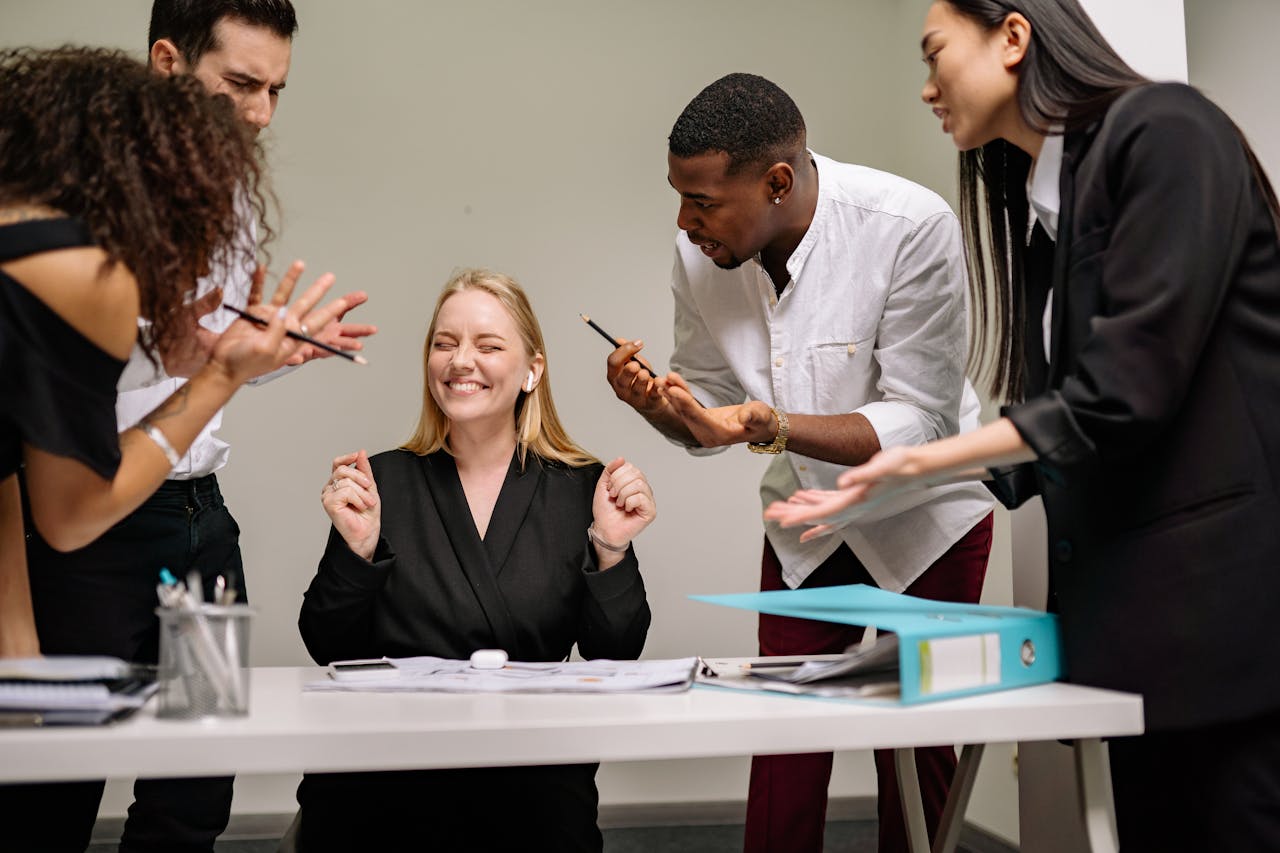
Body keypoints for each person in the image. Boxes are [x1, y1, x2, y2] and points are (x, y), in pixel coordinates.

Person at [767, 1, 1280, 849]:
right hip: (1146, 644)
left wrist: (908, 464)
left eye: (935, 55)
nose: (927, 88)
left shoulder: (1166, 132)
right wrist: (899, 477)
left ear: (1013, 36)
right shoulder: (1045, 213)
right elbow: (1059, 441)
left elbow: (1121, 395)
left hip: (1228, 631)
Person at [604, 73, 995, 853]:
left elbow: (920, 420)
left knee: (917, 748)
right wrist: (657, 404)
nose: (685, 222)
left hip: (927, 519)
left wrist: (769, 424)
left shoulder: (909, 225)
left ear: (777, 182)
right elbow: (710, 400)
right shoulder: (697, 256)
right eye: (679, 197)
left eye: (704, 202)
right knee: (783, 739)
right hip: (806, 525)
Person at [14, 3, 372, 851]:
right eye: (240, 84)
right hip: (93, 523)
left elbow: (193, 365)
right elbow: (59, 402)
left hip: (200, 520)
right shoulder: (69, 205)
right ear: (168, 62)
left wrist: (255, 359)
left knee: (201, 774)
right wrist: (209, 366)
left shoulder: (231, 190)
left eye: (277, 89)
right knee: (51, 784)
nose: (260, 114)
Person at [295, 269, 655, 852]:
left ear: (533, 369)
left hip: (531, 783)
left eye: (487, 346)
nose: (460, 361)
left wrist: (612, 548)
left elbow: (616, 654)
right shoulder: (380, 480)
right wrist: (357, 552)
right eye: (445, 343)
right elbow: (327, 646)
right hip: (388, 783)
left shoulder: (582, 488)